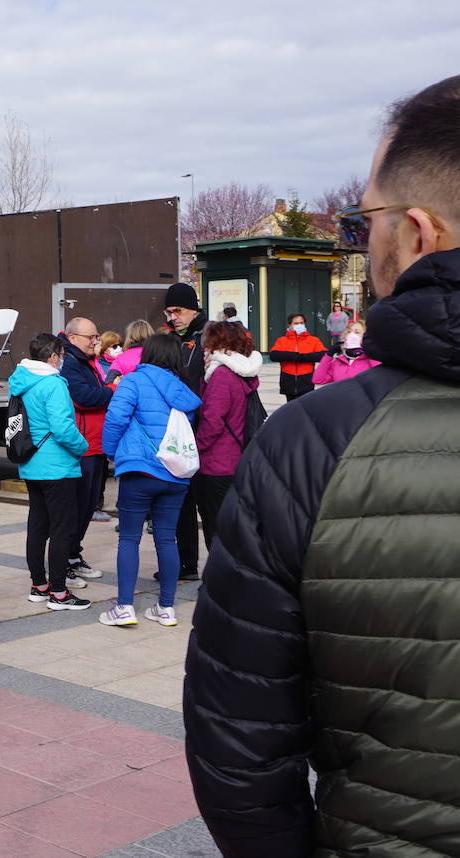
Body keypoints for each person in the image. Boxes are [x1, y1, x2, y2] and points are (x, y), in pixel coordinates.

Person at [185, 74, 460, 857]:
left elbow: (240, 744)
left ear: (416, 233)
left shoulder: (316, 446)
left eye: (361, 218)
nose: (359, 238)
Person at [98, 332, 201, 628]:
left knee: (129, 538)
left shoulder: (133, 380)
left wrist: (110, 451)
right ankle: (166, 608)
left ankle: (124, 608)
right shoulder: (181, 389)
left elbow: (116, 417)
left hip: (140, 470)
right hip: (175, 474)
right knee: (167, 539)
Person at [10, 333, 93, 611]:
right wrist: (83, 446)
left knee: (38, 526)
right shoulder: (53, 384)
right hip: (57, 466)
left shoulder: (20, 380)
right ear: (53, 356)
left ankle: (39, 585)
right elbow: (63, 428)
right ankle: (59, 592)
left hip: (31, 463)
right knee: (62, 529)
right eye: (62, 356)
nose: (63, 361)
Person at [191, 322, 260, 554]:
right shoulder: (242, 371)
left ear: (218, 344)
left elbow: (212, 420)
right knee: (232, 525)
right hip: (236, 459)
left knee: (216, 526)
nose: (205, 349)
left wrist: (196, 448)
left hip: (217, 463)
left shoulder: (222, 375)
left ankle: (222, 580)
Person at [163, 285, 209, 581]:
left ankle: (218, 572)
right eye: (169, 312)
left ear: (193, 308)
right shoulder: (171, 338)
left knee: (209, 507)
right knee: (182, 504)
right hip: (180, 431)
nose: (173, 317)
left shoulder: (207, 336)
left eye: (177, 311)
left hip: (204, 430)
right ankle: (187, 564)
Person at [59, 317, 114, 568]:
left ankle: (73, 555)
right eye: (90, 337)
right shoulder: (71, 363)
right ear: (73, 339)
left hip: (96, 444)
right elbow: (83, 397)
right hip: (84, 447)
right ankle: (66, 559)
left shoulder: (85, 361)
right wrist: (113, 389)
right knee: (78, 508)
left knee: (89, 505)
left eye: (96, 336)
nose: (95, 341)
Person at [267, 312, 328, 402]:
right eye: (296, 323)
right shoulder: (282, 341)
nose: (299, 325)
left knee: (306, 407)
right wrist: (293, 356)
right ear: (290, 325)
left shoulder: (313, 340)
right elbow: (274, 355)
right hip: (288, 379)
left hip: (306, 379)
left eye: (301, 323)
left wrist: (303, 357)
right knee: (291, 408)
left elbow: (324, 355)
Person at [312, 326, 381, 384]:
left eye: (357, 332)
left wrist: (370, 350)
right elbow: (318, 379)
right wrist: (329, 355)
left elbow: (381, 378)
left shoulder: (370, 360)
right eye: (349, 332)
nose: (351, 335)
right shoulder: (338, 362)